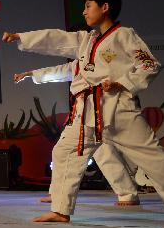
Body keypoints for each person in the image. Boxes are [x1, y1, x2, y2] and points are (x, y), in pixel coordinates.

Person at [4, 0, 164, 228]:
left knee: (155, 159)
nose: (84, 11)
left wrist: (122, 82)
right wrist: (22, 38)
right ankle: (59, 209)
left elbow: (150, 65)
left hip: (118, 110)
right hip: (86, 112)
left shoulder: (124, 35)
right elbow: (56, 40)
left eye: (88, 6)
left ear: (105, 7)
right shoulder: (86, 39)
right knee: (64, 153)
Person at [15, 60, 140, 206]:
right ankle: (59, 194)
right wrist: (30, 74)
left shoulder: (103, 61)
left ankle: (127, 194)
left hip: (100, 114)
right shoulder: (80, 63)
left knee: (102, 153)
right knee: (65, 152)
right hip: (83, 115)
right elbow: (59, 71)